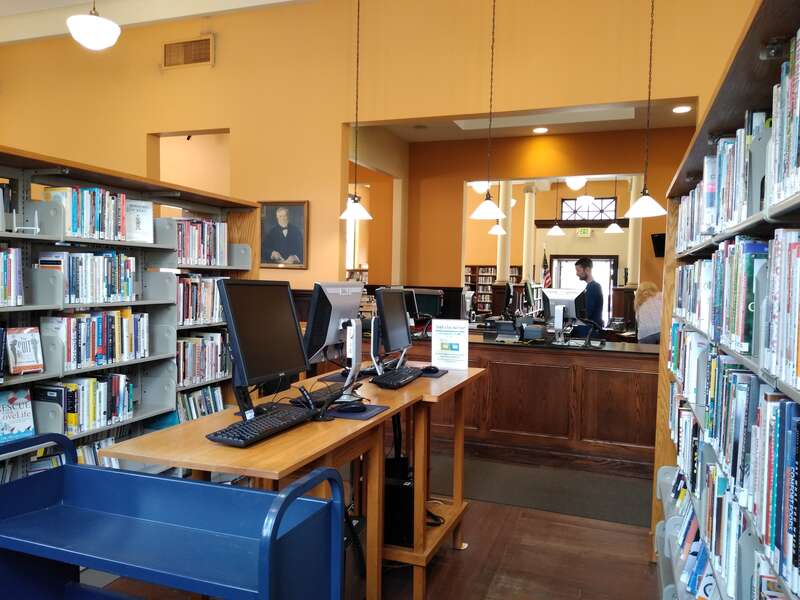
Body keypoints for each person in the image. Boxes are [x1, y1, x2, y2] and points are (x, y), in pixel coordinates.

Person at [574, 257, 604, 328]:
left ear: (587, 269)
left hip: (591, 330)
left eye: (578, 270)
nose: (577, 274)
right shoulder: (589, 287)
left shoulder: (594, 287)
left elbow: (587, 313)